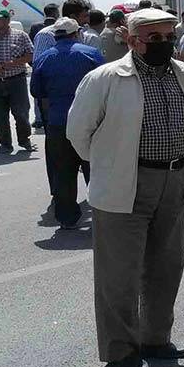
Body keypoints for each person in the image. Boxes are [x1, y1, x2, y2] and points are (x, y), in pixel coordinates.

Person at [67, 8, 184, 367]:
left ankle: (155, 339)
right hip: (126, 184)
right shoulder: (104, 78)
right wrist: (111, 164)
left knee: (166, 268)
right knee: (119, 276)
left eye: (167, 36)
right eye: (153, 38)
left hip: (174, 182)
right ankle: (121, 355)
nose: (163, 44)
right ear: (131, 39)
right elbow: (78, 133)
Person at [30, 18, 104, 229]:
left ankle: (67, 218)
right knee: (95, 169)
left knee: (63, 171)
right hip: (91, 122)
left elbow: (36, 91)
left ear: (55, 35)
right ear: (77, 33)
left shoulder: (44, 58)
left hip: (58, 122)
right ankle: (101, 213)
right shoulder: (91, 54)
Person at [0, 7, 35, 155]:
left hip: (16, 80)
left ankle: (25, 140)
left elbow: (30, 55)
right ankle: (4, 144)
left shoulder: (20, 36)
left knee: (21, 113)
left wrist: (12, 64)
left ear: (7, 21)